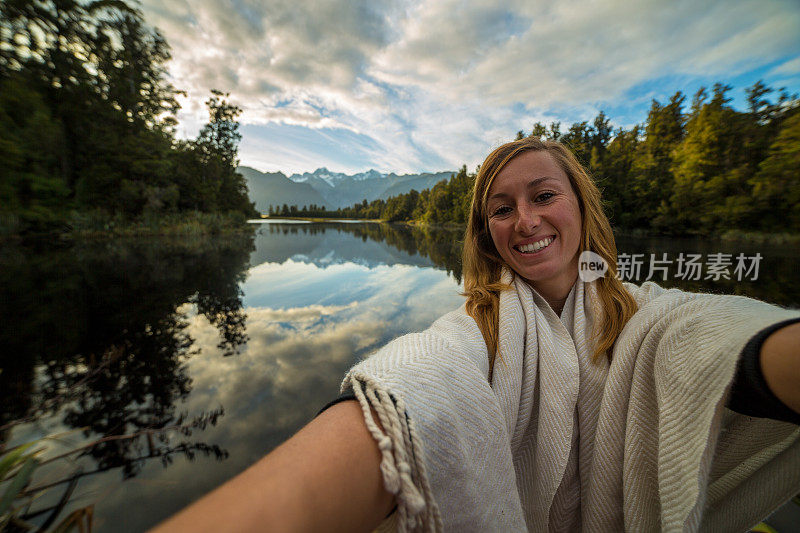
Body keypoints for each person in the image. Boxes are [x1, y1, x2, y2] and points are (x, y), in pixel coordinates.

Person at [153, 138, 800, 532]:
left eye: (544, 195)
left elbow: (712, 338)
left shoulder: (652, 313)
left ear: (580, 205)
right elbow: (421, 381)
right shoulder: (482, 328)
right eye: (501, 207)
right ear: (486, 231)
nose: (525, 220)